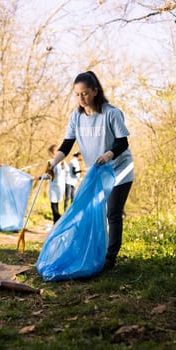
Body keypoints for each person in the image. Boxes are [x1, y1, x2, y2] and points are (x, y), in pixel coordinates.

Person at [47, 71, 134, 270]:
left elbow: (123, 142)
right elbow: (67, 145)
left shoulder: (111, 113)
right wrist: (52, 163)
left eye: (85, 93)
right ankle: (92, 252)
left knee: (112, 213)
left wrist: (108, 155)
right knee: (93, 212)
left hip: (120, 170)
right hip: (98, 173)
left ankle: (110, 259)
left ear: (95, 91)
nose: (81, 98)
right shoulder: (76, 117)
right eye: (77, 94)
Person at [47, 144, 67, 224]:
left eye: (50, 153)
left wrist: (38, 178)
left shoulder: (54, 163)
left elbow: (50, 176)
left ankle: (59, 223)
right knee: (56, 206)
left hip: (55, 187)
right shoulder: (63, 162)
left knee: (54, 208)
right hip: (61, 187)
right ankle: (56, 224)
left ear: (53, 153)